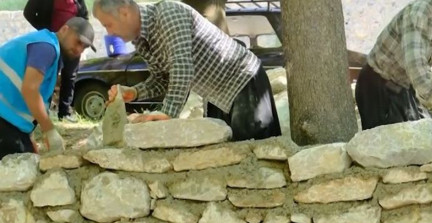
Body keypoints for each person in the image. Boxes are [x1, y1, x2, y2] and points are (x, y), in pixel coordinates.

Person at [92, 0, 280, 141]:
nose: (109, 33)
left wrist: (167, 112)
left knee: (252, 150)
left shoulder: (168, 14)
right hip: (216, 95)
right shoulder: (141, 40)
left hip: (242, 80)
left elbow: (182, 66)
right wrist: (134, 92)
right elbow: (162, 79)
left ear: (124, 12)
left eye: (108, 24)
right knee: (224, 150)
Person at [355, 0, 432, 130]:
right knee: (391, 146)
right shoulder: (419, 14)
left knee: (428, 133)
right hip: (377, 86)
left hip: (405, 87)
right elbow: (416, 65)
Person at [0, 17, 94, 159]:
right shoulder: (47, 47)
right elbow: (30, 89)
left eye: (84, 47)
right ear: (64, 30)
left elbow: (31, 97)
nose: (79, 50)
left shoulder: (46, 44)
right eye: (78, 42)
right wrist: (49, 130)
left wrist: (28, 136)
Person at [23, 0, 90, 122]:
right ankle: (42, 112)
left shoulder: (78, 1)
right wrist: (45, 31)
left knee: (70, 77)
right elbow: (28, 12)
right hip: (51, 42)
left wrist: (80, 38)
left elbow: (84, 17)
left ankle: (65, 112)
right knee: (47, 76)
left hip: (73, 43)